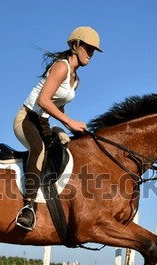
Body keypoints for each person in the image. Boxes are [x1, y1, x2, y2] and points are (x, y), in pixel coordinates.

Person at [13, 26, 103, 231]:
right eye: (88, 48)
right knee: (39, 150)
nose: (90, 54)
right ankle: (28, 207)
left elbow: (58, 106)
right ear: (75, 45)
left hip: (43, 123)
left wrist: (67, 127)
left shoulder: (76, 80)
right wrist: (69, 122)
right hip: (26, 119)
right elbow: (44, 101)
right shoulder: (61, 67)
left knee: (66, 143)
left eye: (93, 51)